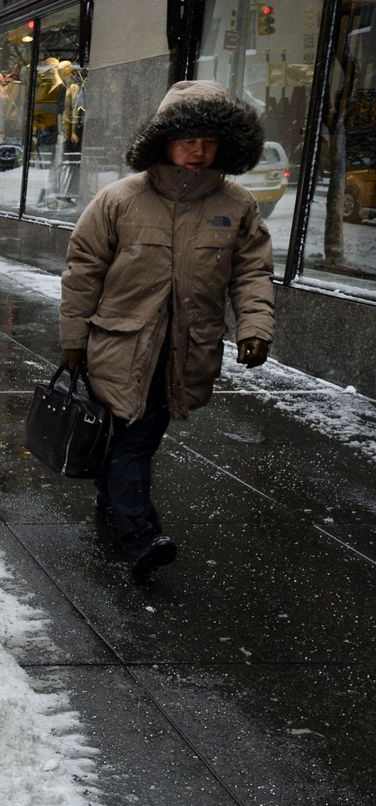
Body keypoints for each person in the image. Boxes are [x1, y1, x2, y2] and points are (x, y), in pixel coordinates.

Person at [58, 80, 275, 575]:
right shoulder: (120, 200)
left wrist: (254, 326)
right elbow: (83, 269)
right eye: (187, 139)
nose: (197, 152)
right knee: (133, 438)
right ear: (163, 141)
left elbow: (251, 272)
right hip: (118, 345)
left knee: (136, 437)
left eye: (208, 140)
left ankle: (114, 502)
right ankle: (141, 535)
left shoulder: (236, 205)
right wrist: (73, 341)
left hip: (184, 352)